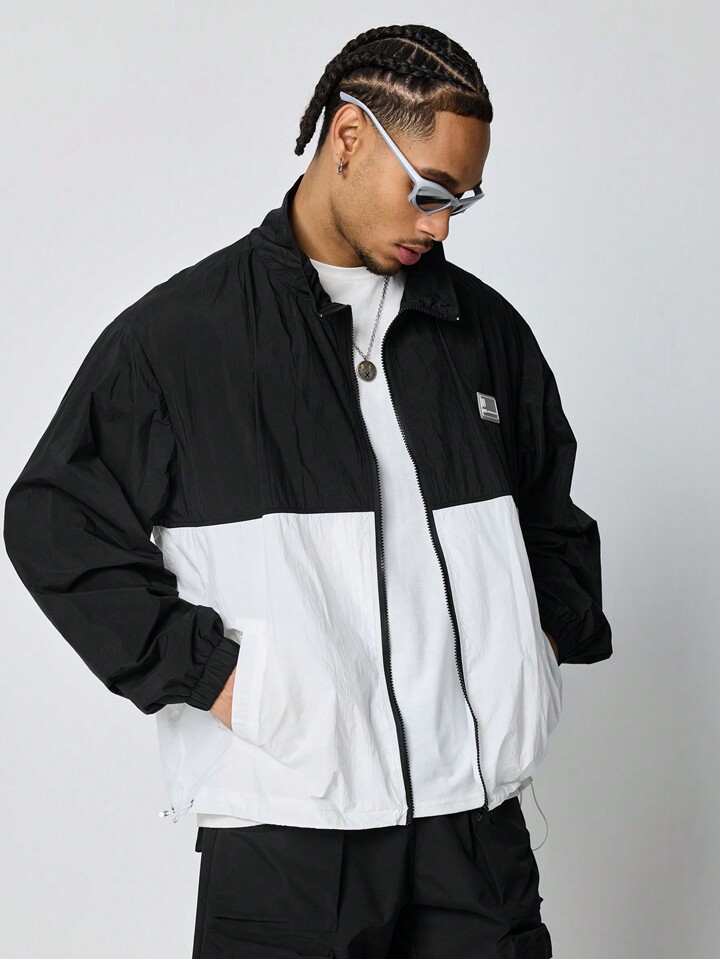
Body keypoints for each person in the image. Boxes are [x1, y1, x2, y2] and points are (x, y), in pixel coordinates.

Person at [3, 22, 612, 959]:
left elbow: (555, 520)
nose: (441, 226)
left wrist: (529, 659)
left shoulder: (485, 333)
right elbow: (55, 521)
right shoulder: (185, 340)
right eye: (429, 193)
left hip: (475, 838)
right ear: (350, 136)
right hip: (288, 837)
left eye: (461, 202)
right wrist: (223, 680)